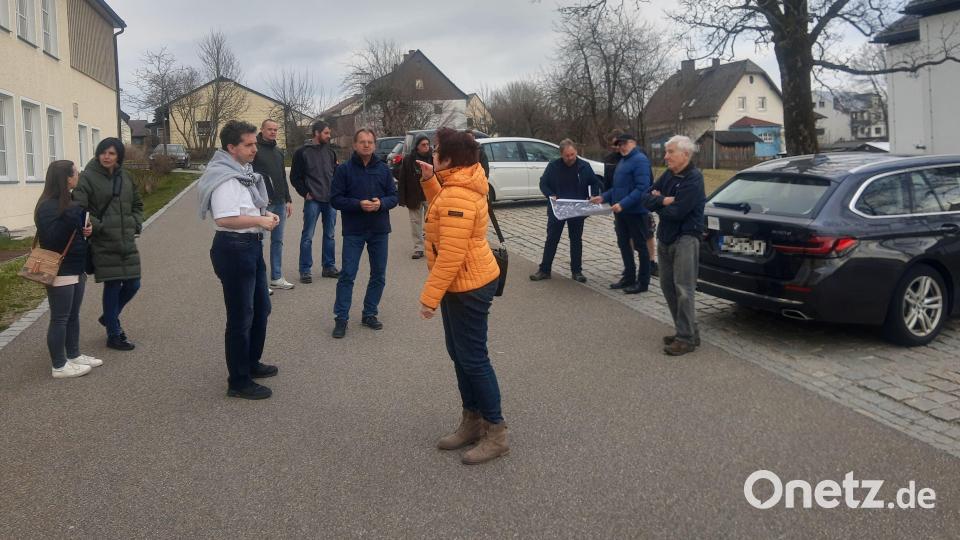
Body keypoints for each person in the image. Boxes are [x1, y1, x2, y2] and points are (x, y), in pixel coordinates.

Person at [416, 128, 508, 465]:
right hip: (462, 282)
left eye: (437, 151)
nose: (432, 154)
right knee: (460, 352)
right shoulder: (459, 182)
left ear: (450, 159)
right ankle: (472, 421)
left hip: (467, 283)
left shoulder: (459, 192)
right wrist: (430, 181)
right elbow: (445, 210)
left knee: (473, 357)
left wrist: (429, 296)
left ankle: (496, 432)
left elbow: (452, 253)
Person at [198, 120, 280, 399]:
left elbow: (245, 210)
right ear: (231, 147)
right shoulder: (224, 177)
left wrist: (264, 217)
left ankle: (250, 363)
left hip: (250, 246)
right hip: (234, 249)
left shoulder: (243, 173)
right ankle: (238, 381)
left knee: (261, 308)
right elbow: (225, 218)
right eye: (249, 144)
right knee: (240, 317)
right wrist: (260, 219)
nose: (255, 148)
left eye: (255, 143)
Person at [73, 138, 143, 351]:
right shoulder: (87, 177)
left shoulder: (126, 177)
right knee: (113, 285)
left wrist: (135, 223)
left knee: (133, 284)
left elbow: (137, 204)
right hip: (102, 241)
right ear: (98, 154)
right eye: (103, 152)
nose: (107, 156)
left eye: (112, 153)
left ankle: (109, 316)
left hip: (126, 241)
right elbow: (79, 207)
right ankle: (114, 334)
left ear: (118, 156)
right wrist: (99, 226)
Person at [35, 160, 102, 378]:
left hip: (76, 266)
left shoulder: (69, 202)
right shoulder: (47, 206)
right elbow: (52, 239)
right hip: (59, 269)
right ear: (66, 178)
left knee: (73, 315)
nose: (78, 175)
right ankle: (59, 365)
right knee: (60, 317)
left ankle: (73, 355)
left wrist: (86, 230)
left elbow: (74, 232)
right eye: (75, 172)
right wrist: (72, 215)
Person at [329, 128, 398, 338]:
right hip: (354, 231)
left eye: (370, 142)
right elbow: (335, 199)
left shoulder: (384, 169)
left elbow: (394, 197)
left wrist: (381, 204)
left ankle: (369, 313)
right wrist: (358, 204)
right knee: (347, 275)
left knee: (378, 275)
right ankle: (341, 318)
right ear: (355, 145)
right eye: (362, 142)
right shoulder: (344, 170)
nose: (366, 145)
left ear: (375, 145)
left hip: (379, 230)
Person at [644, 135, 706, 356]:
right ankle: (687, 330)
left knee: (684, 289)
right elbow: (645, 197)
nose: (665, 156)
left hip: (686, 239)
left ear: (685, 154)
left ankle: (686, 338)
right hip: (666, 237)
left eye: (670, 152)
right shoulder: (668, 175)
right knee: (667, 287)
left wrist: (659, 202)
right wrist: (664, 200)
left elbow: (679, 212)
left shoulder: (694, 179)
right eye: (666, 151)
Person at [529, 139, 601, 283]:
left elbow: (594, 182)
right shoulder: (553, 166)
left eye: (572, 155)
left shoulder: (584, 166)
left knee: (576, 240)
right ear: (561, 154)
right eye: (567, 155)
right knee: (552, 239)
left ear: (576, 152)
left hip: (577, 208)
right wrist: (550, 194)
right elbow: (543, 183)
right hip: (558, 208)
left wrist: (593, 194)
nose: (570, 158)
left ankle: (577, 271)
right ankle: (544, 270)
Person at [590, 133, 653, 295]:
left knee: (640, 246)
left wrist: (623, 204)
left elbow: (642, 188)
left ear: (633, 143)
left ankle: (643, 281)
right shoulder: (623, 161)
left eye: (624, 143)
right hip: (621, 212)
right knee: (624, 244)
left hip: (636, 211)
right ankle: (629, 276)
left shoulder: (640, 160)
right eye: (619, 144)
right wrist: (603, 197)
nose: (621, 147)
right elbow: (617, 188)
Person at [290, 120, 339, 284]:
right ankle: (305, 270)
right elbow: (295, 177)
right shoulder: (302, 152)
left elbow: (336, 174)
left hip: (330, 200)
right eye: (326, 133)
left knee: (330, 235)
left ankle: (329, 267)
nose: (329, 136)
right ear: (317, 133)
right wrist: (305, 193)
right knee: (307, 236)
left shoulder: (331, 152)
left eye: (329, 133)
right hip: (313, 200)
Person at [252, 119, 294, 290]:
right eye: (269, 129)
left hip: (280, 203)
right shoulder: (255, 150)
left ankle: (276, 277)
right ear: (261, 129)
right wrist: (258, 199)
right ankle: (260, 282)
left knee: (278, 241)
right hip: (264, 205)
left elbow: (282, 177)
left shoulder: (278, 152)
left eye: (276, 130)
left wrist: (288, 199)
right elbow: (251, 177)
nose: (273, 132)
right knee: (260, 242)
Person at [397, 134, 431, 259]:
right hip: (414, 196)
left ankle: (432, 246)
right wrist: (402, 198)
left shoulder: (433, 158)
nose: (426, 147)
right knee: (415, 223)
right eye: (423, 145)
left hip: (430, 196)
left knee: (432, 223)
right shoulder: (409, 159)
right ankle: (418, 248)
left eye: (427, 144)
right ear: (417, 146)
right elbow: (402, 179)